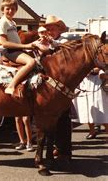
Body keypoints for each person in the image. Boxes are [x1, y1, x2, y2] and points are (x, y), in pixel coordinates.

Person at [42, 15, 72, 159]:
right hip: (52, 85)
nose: (49, 30)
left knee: (64, 117)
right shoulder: (49, 41)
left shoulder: (64, 40)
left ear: (59, 28)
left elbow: (61, 50)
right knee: (53, 117)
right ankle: (57, 147)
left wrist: (50, 43)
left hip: (63, 85)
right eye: (48, 28)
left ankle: (65, 150)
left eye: (52, 28)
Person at [0, 0, 37, 96]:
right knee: (31, 62)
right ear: (2, 10)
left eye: (13, 9)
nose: (10, 11)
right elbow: (4, 43)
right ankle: (11, 85)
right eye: (7, 9)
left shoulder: (12, 23)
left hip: (18, 50)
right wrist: (26, 46)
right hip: (10, 51)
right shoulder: (2, 22)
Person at [73, 67, 108, 139]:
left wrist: (93, 70)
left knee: (100, 108)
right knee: (87, 108)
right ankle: (92, 131)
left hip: (97, 81)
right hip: (85, 82)